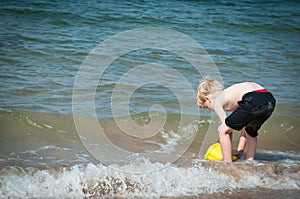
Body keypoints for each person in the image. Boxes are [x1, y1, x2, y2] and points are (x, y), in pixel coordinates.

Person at [196, 78, 276, 162]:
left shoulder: (217, 102)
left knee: (222, 130)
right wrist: (240, 150)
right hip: (269, 99)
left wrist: (227, 152)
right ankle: (250, 162)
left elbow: (226, 129)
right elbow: (243, 128)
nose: (212, 110)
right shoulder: (233, 97)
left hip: (253, 98)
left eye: (207, 107)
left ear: (208, 99)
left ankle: (227, 163)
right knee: (250, 131)